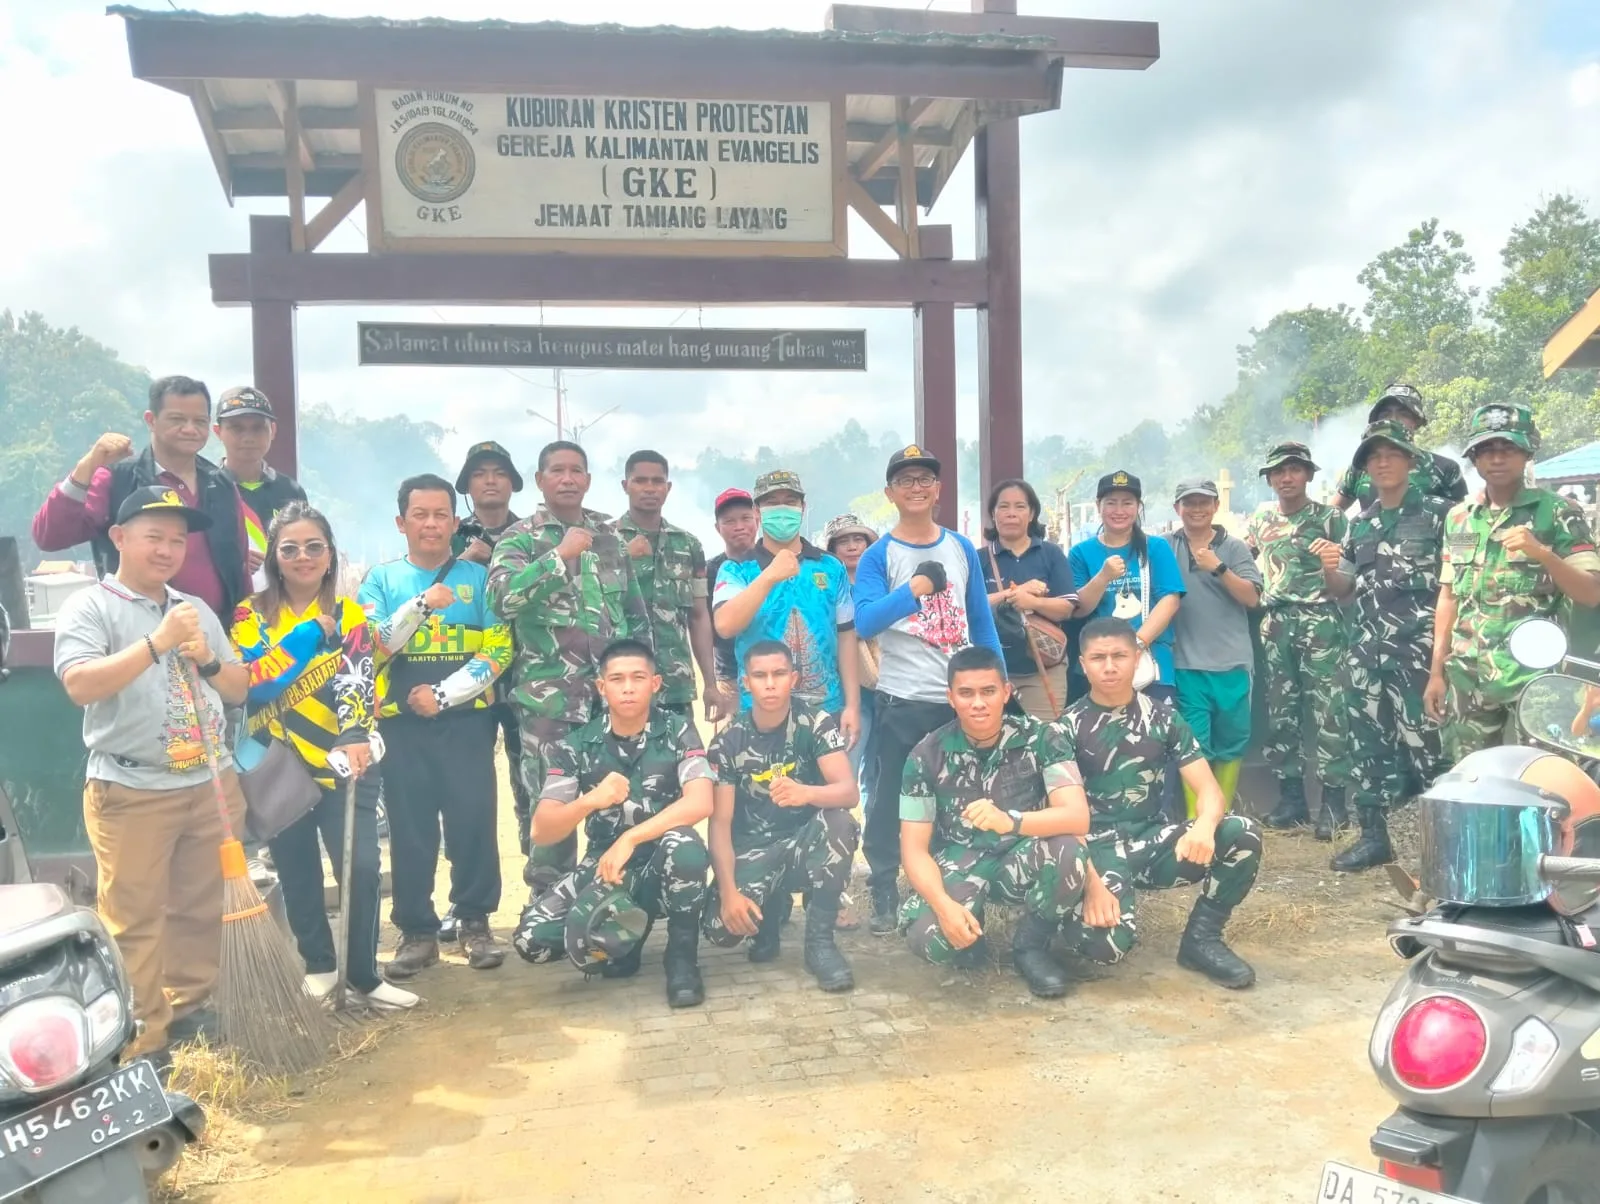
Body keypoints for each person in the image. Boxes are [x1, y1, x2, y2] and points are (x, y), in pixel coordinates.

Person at [52, 486, 251, 1064]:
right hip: (132, 788)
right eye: (154, 537)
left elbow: (238, 688)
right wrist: (156, 643)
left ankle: (191, 1007)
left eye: (177, 540)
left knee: (202, 905)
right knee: (134, 917)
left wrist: (205, 657)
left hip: (209, 783)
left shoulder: (195, 609)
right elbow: (80, 685)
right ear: (118, 538)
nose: (167, 550)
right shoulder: (90, 606)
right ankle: (142, 1034)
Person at [230, 502, 416, 1011]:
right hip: (279, 764)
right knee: (296, 869)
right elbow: (256, 682)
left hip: (346, 760)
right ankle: (319, 967)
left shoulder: (351, 614)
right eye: (290, 548)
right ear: (274, 556)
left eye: (314, 547)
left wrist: (353, 733)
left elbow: (358, 678)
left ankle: (364, 975)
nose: (303, 557)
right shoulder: (250, 614)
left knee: (362, 867)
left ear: (331, 554)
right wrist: (311, 635)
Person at [359, 474, 514, 979]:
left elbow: (499, 649)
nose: (431, 524)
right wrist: (421, 604)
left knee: (474, 820)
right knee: (410, 828)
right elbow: (372, 646)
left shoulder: (481, 581)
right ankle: (417, 931)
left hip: (468, 723)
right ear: (401, 522)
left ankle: (474, 922)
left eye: (441, 514)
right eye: (420, 515)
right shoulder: (381, 581)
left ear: (455, 521)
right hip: (400, 728)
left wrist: (444, 695)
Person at [1056, 618, 1261, 989]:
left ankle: (1202, 941)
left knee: (1241, 833)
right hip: (1094, 851)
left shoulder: (1163, 717)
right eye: (1098, 658)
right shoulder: (1064, 728)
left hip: (1149, 842)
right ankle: (1061, 922)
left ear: (1137, 658)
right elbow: (1062, 822)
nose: (1109, 666)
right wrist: (1090, 882)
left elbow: (1209, 791)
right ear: (1082, 664)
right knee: (1107, 948)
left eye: (1119, 656)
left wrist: (1204, 826)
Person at [512, 639, 714, 1008]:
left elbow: (701, 801)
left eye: (638, 678)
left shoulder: (679, 730)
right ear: (601, 687)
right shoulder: (576, 745)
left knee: (685, 845)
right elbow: (543, 829)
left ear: (655, 684)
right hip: (606, 865)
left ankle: (682, 957)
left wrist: (631, 839)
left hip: (661, 859)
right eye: (617, 679)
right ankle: (622, 940)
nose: (628, 688)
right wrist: (591, 800)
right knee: (532, 940)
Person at [853, 446, 1005, 935]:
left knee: (960, 797)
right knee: (889, 798)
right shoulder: (879, 555)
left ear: (938, 489)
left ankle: (950, 884)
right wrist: (914, 589)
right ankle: (883, 885)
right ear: (890, 493)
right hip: (902, 699)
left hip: (957, 700)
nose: (916, 488)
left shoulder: (960, 548)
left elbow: (980, 620)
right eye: (906, 480)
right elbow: (864, 621)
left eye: (925, 479)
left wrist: (998, 682)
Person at [487, 440, 650, 894]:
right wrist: (558, 557)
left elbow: (635, 614)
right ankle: (548, 905)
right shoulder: (519, 538)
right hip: (549, 705)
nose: (567, 479)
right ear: (540, 480)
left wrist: (642, 684)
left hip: (610, 704)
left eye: (576, 470)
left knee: (617, 802)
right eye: (557, 471)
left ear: (588, 480)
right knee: (550, 807)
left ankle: (609, 900)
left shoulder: (610, 536)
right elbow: (501, 599)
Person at [898, 645, 1090, 998]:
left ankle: (1031, 945)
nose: (978, 703)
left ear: (1006, 692)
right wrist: (944, 907)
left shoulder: (1042, 737)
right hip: (960, 860)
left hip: (1022, 854)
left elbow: (1077, 816)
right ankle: (971, 937)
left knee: (1067, 850)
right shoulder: (926, 755)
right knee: (930, 940)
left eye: (988, 691)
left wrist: (1011, 822)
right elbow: (914, 850)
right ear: (950, 698)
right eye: (966, 693)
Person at [1425, 403, 1600, 763]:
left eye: (1509, 448)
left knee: (1541, 779)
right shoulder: (1459, 518)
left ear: (1528, 452)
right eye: (1486, 449)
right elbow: (1449, 596)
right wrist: (1436, 671)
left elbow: (1591, 593)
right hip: (1469, 677)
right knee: (1472, 778)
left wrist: (1543, 554)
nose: (1497, 458)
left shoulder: (1558, 513)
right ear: (1474, 457)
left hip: (1537, 682)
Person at [1319, 421, 1450, 873]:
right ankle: (1374, 838)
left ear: (1410, 459)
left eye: (1392, 453)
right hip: (1366, 657)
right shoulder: (1361, 523)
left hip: (1420, 659)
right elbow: (1343, 588)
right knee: (1367, 751)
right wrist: (1328, 567)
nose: (1383, 462)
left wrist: (1441, 663)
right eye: (1374, 456)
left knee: (1431, 752)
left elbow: (1455, 588)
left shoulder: (1442, 516)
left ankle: (1446, 846)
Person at [704, 640, 860, 991]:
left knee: (840, 824)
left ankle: (820, 945)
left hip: (804, 845)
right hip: (754, 850)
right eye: (760, 676)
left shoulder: (815, 723)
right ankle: (770, 914)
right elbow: (720, 824)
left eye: (779, 674)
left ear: (794, 678)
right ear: (746, 683)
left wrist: (807, 793)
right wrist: (728, 893)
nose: (770, 684)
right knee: (720, 930)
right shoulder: (727, 742)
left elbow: (849, 792)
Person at [33, 375, 251, 619]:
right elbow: (49, 537)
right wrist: (87, 466)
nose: (190, 429)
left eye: (199, 421)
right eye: (177, 419)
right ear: (151, 420)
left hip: (217, 632)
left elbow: (240, 569)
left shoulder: (221, 484)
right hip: (137, 630)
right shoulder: (118, 478)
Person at [1244, 441, 1351, 836]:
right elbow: (1242, 560)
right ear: (1269, 479)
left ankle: (1334, 804)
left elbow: (1348, 580)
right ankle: (1291, 799)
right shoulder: (1260, 521)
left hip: (1320, 619)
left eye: (1294, 469)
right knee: (1281, 713)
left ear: (1307, 474)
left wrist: (1331, 568)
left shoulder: (1331, 519)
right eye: (1278, 471)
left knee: (1329, 713)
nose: (1286, 477)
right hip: (1276, 623)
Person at [444, 440, 528, 938]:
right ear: (467, 486)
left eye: (499, 472)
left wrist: (493, 560)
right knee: (465, 795)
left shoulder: (532, 534)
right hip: (465, 682)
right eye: (479, 474)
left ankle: (542, 893)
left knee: (531, 788)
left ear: (513, 482)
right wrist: (463, 563)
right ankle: (465, 904)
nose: (490, 481)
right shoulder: (447, 534)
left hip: (526, 682)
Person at [1069, 471, 1186, 823]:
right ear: (1098, 506)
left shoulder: (1156, 548)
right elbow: (1080, 607)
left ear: (1138, 506)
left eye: (1127, 503)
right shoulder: (1081, 553)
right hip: (1100, 666)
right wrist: (1103, 576)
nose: (1119, 510)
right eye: (1111, 503)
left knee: (1158, 741)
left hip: (1151, 662)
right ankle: (1107, 822)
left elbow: (1170, 599)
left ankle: (1159, 822)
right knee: (1104, 743)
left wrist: (1136, 645)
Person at [713, 471, 859, 738]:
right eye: (772, 503)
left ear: (803, 508)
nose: (782, 509)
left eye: (790, 502)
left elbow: (846, 636)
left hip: (826, 710)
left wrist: (852, 705)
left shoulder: (830, 566)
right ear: (757, 512)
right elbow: (725, 625)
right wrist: (769, 575)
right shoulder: (736, 569)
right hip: (759, 715)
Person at [1165, 479, 1262, 817]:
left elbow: (1252, 597)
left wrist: (1219, 568)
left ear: (1216, 506)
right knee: (1194, 745)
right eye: (1189, 503)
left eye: (1203, 502)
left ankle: (1221, 819)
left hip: (1233, 664)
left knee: (1232, 744)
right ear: (1177, 508)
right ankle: (1197, 822)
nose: (1196, 509)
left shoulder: (1234, 548)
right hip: (1187, 664)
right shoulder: (1165, 547)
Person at [616, 450, 726, 721]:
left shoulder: (688, 545)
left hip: (675, 686)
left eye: (657, 481)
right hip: (621, 686)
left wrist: (710, 684)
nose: (649, 488)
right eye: (640, 481)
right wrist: (621, 558)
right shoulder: (605, 541)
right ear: (625, 486)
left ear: (668, 487)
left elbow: (698, 616)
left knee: (685, 749)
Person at [979, 478, 1078, 721]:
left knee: (1043, 737)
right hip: (990, 669)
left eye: (1020, 506)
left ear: (1032, 513)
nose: (1011, 513)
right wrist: (1013, 594)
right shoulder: (978, 558)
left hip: (1043, 667)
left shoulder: (1050, 553)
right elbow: (969, 607)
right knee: (992, 737)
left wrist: (1034, 603)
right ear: (993, 513)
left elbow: (1066, 608)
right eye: (1003, 506)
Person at [212, 386, 307, 584]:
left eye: (258, 428)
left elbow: (304, 549)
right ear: (218, 431)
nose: (248, 437)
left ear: (273, 431)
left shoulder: (291, 491)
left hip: (280, 598)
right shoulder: (206, 488)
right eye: (237, 428)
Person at [1332, 384, 1467, 513]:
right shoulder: (1360, 468)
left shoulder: (1444, 469)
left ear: (1416, 421)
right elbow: (1331, 514)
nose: (1393, 419)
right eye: (1385, 414)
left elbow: (1462, 522)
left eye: (1403, 414)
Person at [707, 487, 759, 709]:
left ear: (758, 519)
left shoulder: (774, 565)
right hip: (730, 677)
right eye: (729, 521)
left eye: (746, 518)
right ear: (717, 528)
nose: (739, 526)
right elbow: (705, 628)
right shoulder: (708, 572)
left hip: (775, 671)